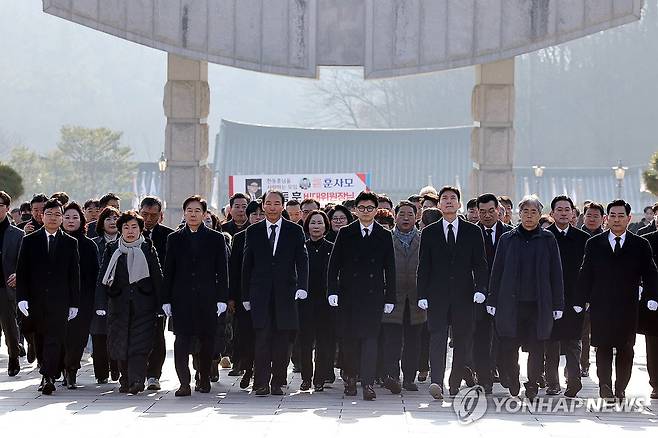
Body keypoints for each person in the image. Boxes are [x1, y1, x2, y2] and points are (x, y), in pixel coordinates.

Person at [578, 199, 658, 400]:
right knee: (602, 346)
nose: (616, 220)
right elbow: (586, 272)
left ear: (629, 218)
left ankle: (620, 387)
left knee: (625, 348)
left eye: (621, 216)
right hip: (601, 304)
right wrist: (580, 299)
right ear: (606, 218)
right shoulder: (594, 243)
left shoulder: (640, 244)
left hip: (628, 305)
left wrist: (651, 296)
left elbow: (650, 273)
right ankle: (604, 386)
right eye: (612, 216)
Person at [487, 195, 565, 400]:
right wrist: (492, 299)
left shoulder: (548, 239)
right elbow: (497, 271)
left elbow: (556, 273)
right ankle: (513, 377)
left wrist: (558, 303)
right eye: (525, 212)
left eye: (534, 212)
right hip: (511, 303)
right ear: (518, 214)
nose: (529, 216)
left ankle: (532, 383)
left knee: (537, 346)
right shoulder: (507, 238)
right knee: (509, 344)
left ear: (540, 215)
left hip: (539, 304)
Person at [417, 186, 488, 400]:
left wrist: (481, 289)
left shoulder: (472, 231)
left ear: (459, 204)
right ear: (439, 204)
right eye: (444, 198)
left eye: (453, 198)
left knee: (461, 340)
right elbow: (424, 266)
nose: (449, 201)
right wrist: (422, 294)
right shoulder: (429, 232)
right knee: (437, 338)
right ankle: (436, 382)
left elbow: (481, 264)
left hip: (464, 295)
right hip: (437, 296)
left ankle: (455, 381)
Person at [328, 191, 396, 401]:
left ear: (377, 210)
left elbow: (390, 268)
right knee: (349, 339)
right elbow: (334, 265)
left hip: (373, 295)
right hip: (349, 294)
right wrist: (332, 291)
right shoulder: (346, 232)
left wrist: (390, 298)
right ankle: (350, 378)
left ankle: (367, 383)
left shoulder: (384, 234)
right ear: (355, 210)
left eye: (370, 208)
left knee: (370, 340)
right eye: (362, 208)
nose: (366, 212)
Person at [241, 190, 309, 396]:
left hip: (286, 294)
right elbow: (247, 265)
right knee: (261, 339)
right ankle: (261, 382)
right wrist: (245, 295)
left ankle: (278, 381)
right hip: (260, 294)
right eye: (268, 203)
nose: (272, 207)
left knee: (282, 340)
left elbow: (302, 261)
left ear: (282, 206)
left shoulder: (294, 231)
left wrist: (303, 287)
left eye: (276, 203)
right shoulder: (253, 232)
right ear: (262, 206)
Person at [162, 195, 229, 396]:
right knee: (181, 341)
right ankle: (184, 382)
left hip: (207, 298)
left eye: (197, 210)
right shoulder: (174, 238)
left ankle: (204, 377)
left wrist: (222, 299)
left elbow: (222, 271)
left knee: (207, 340)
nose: (193, 214)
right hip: (181, 298)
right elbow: (169, 271)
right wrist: (166, 299)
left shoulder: (216, 238)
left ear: (205, 214)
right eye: (189, 210)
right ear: (184, 213)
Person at [16, 198, 80, 395]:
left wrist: (74, 303)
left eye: (57, 215)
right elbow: (22, 271)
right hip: (36, 300)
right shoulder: (29, 240)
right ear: (42, 216)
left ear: (61, 219)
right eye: (49, 214)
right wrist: (22, 298)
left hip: (60, 300)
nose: (53, 218)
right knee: (41, 339)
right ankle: (47, 371)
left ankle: (48, 376)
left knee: (55, 337)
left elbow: (73, 274)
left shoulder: (70, 242)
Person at [96, 211, 163, 394]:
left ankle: (137, 380)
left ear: (141, 230)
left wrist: (161, 304)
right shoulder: (112, 249)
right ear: (120, 230)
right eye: (126, 227)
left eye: (134, 227)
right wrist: (100, 304)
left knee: (140, 345)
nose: (130, 231)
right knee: (120, 344)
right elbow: (103, 276)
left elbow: (157, 276)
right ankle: (125, 380)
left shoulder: (148, 247)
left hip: (144, 304)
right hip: (118, 304)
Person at [545, 195, 589, 398]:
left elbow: (589, 270)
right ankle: (552, 383)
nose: (563, 213)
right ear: (552, 213)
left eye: (567, 209)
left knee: (573, 341)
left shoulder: (583, 239)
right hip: (549, 297)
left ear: (573, 213)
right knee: (551, 342)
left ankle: (574, 381)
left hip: (575, 297)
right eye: (559, 209)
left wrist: (585, 297)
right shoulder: (544, 236)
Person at [380, 201, 425, 393]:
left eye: (410, 214)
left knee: (413, 341)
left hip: (416, 299)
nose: (406, 218)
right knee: (392, 340)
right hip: (393, 298)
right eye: (402, 214)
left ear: (416, 217)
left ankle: (409, 378)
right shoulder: (385, 239)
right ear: (394, 216)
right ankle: (392, 376)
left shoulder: (423, 239)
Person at [474, 193, 513, 394]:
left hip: (505, 294)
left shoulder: (510, 234)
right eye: (482, 212)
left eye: (491, 211)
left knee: (505, 336)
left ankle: (506, 372)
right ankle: (484, 378)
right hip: (479, 294)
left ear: (499, 210)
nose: (487, 215)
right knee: (481, 338)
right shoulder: (472, 233)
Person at [60, 202, 99, 389]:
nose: (70, 221)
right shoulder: (54, 242)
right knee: (59, 337)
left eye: (75, 217)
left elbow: (95, 275)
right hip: (58, 299)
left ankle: (72, 369)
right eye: (66, 217)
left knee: (78, 338)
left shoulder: (89, 245)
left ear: (81, 220)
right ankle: (59, 368)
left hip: (83, 300)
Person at [138, 196, 175, 391]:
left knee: (157, 335)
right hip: (135, 293)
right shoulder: (130, 231)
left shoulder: (169, 236)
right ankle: (136, 372)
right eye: (145, 214)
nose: (148, 219)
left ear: (161, 216)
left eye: (153, 215)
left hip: (158, 294)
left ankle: (154, 374)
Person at [298, 210, 335, 392]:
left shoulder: (332, 247)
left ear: (326, 226)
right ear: (307, 225)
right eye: (313, 223)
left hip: (326, 303)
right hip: (305, 302)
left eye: (320, 223)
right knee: (305, 342)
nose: (316, 226)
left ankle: (319, 378)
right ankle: (306, 378)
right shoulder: (301, 247)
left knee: (324, 342)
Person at [91, 206, 121, 384]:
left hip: (119, 295)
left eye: (115, 218)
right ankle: (101, 372)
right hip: (98, 293)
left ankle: (117, 367)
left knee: (117, 334)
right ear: (101, 223)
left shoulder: (125, 242)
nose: (112, 222)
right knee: (99, 334)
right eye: (108, 218)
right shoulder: (94, 243)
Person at [0, 191, 24, 376]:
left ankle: (14, 356)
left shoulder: (17, 234)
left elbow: (24, 261)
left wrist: (18, 274)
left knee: (9, 327)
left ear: (7, 208)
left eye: (0, 205)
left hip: (7, 287)